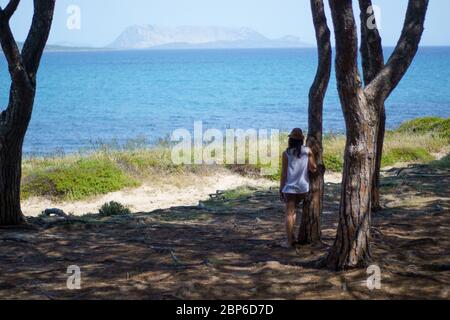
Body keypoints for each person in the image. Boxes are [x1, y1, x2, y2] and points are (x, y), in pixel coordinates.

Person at [279, 128, 317, 248]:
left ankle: (289, 241)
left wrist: (281, 188)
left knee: (290, 214)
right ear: (301, 140)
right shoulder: (307, 151)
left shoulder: (286, 154)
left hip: (290, 188)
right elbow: (313, 168)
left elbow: (284, 173)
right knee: (294, 213)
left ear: (290, 140)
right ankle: (294, 237)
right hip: (303, 188)